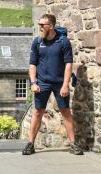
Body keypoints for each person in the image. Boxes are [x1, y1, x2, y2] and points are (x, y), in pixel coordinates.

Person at [22, 14, 83, 155]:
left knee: (65, 112)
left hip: (59, 83)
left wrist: (65, 85)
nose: (40, 27)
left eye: (43, 25)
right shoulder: (37, 42)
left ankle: (73, 144)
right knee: (37, 112)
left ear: (51, 26)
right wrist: (33, 82)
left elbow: (68, 64)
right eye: (39, 24)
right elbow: (32, 64)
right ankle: (30, 144)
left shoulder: (63, 42)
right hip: (42, 83)